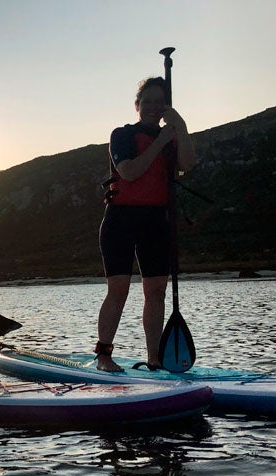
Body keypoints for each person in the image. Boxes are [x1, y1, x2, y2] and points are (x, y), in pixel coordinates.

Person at [96, 76, 197, 372]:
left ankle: (154, 358)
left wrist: (182, 128)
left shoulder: (172, 137)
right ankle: (104, 356)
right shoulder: (122, 135)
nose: (153, 107)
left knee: (156, 292)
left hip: (155, 221)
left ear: (166, 106)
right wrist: (161, 141)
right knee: (120, 288)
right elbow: (128, 172)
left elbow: (188, 163)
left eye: (160, 102)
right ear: (137, 106)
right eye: (147, 101)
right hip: (121, 221)